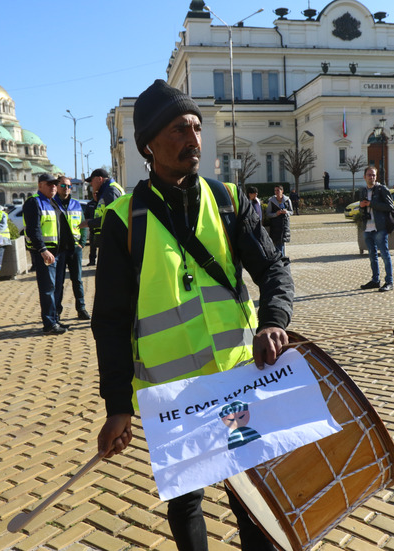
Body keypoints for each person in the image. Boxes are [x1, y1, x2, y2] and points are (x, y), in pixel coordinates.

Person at [94, 79, 293, 551]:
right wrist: (118, 405)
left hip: (235, 382)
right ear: (149, 144)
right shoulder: (124, 221)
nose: (193, 138)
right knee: (185, 503)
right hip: (173, 397)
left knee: (250, 496)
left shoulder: (228, 200)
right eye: (179, 128)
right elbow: (110, 321)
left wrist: (273, 321)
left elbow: (274, 269)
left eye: (197, 127)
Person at [23, 173, 80, 335]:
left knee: (57, 288)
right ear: (40, 185)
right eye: (49, 184)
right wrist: (42, 250)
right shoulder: (34, 202)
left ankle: (55, 319)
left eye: (55, 184)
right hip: (46, 253)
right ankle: (49, 324)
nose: (53, 187)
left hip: (59, 253)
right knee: (48, 289)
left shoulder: (53, 202)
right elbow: (33, 230)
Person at [55, 176, 91, 320]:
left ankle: (81, 308)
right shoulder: (52, 203)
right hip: (60, 248)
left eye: (69, 186)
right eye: (63, 186)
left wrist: (82, 242)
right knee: (59, 281)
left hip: (75, 248)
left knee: (78, 280)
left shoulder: (76, 204)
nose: (67, 189)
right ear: (57, 186)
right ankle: (57, 310)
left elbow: (83, 224)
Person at [358, 166, 394, 292]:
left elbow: (390, 206)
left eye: (373, 175)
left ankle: (389, 282)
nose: (371, 177)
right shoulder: (363, 191)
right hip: (367, 228)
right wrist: (361, 206)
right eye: (369, 175)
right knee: (372, 256)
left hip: (380, 228)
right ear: (364, 177)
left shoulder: (382, 189)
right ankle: (375, 280)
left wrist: (371, 204)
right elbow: (362, 208)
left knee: (385, 255)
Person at [85, 168, 125, 267]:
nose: (91, 184)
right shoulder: (107, 190)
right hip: (112, 237)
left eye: (92, 180)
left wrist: (89, 223)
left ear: (99, 179)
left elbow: (111, 217)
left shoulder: (110, 190)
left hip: (113, 239)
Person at [265, 185, 293, 257]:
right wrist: (276, 214)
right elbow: (268, 214)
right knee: (278, 244)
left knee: (282, 243)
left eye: (278, 190)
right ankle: (281, 259)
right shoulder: (271, 201)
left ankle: (281, 259)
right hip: (275, 226)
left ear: (282, 191)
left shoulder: (287, 200)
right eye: (275, 190)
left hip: (284, 225)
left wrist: (286, 212)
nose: (276, 192)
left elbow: (291, 212)